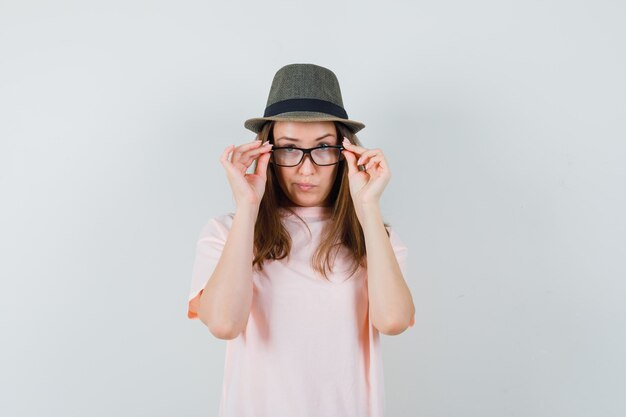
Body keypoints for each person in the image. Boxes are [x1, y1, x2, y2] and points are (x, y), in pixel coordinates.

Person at [187, 63, 415, 417]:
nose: (306, 169)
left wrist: (368, 206)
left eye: (323, 148)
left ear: (345, 153)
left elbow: (393, 321)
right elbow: (223, 324)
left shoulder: (374, 236)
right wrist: (248, 206)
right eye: (289, 149)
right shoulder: (226, 232)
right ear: (266, 152)